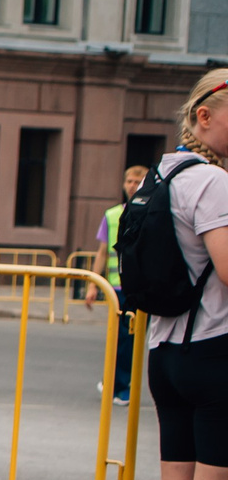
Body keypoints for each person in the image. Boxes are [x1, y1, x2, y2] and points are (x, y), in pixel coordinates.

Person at [101, 71, 228, 480]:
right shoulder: (213, 183)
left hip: (165, 353)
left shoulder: (160, 175)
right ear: (204, 115)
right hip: (216, 355)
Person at [98, 164, 149, 403]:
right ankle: (114, 382)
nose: (133, 185)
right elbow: (101, 251)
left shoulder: (152, 212)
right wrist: (92, 284)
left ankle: (119, 384)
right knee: (117, 339)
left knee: (130, 341)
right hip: (115, 289)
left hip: (138, 288)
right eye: (129, 180)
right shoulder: (111, 215)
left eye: (138, 181)